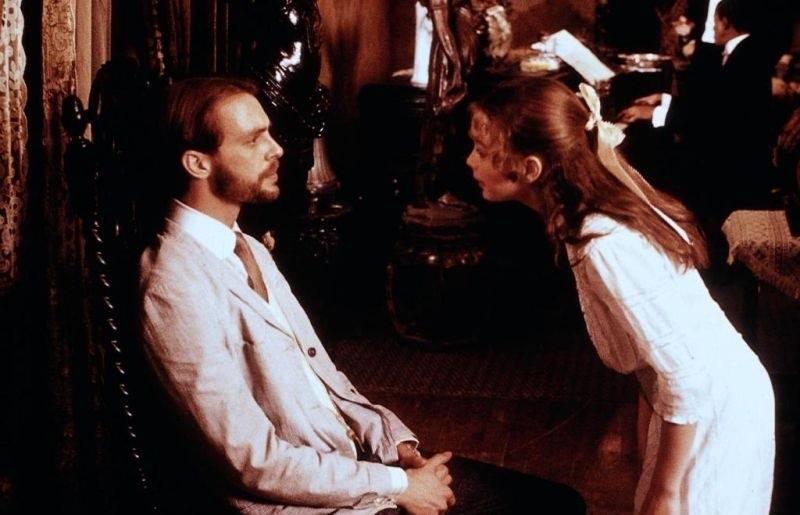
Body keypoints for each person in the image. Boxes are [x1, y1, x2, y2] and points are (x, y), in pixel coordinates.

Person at [139, 76, 586, 514]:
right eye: (253, 140)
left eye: (269, 134)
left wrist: (397, 447)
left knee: (554, 503)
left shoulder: (247, 246)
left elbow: (320, 380)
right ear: (198, 164)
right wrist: (399, 485)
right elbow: (253, 461)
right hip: (302, 505)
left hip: (353, 469)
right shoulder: (173, 285)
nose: (276, 149)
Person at [466, 76, 775, 514]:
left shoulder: (604, 243)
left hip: (713, 409)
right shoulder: (585, 217)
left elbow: (685, 377)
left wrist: (664, 491)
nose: (470, 161)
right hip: (692, 405)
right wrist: (646, 457)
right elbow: (654, 361)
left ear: (530, 168)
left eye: (481, 151)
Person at [619, 0, 776, 224]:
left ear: (726, 23)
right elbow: (711, 104)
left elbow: (710, 117)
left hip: (732, 167)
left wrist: (654, 114)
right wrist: (664, 100)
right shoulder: (745, 50)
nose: (711, 29)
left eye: (714, 22)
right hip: (728, 152)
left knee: (650, 160)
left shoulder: (744, 58)